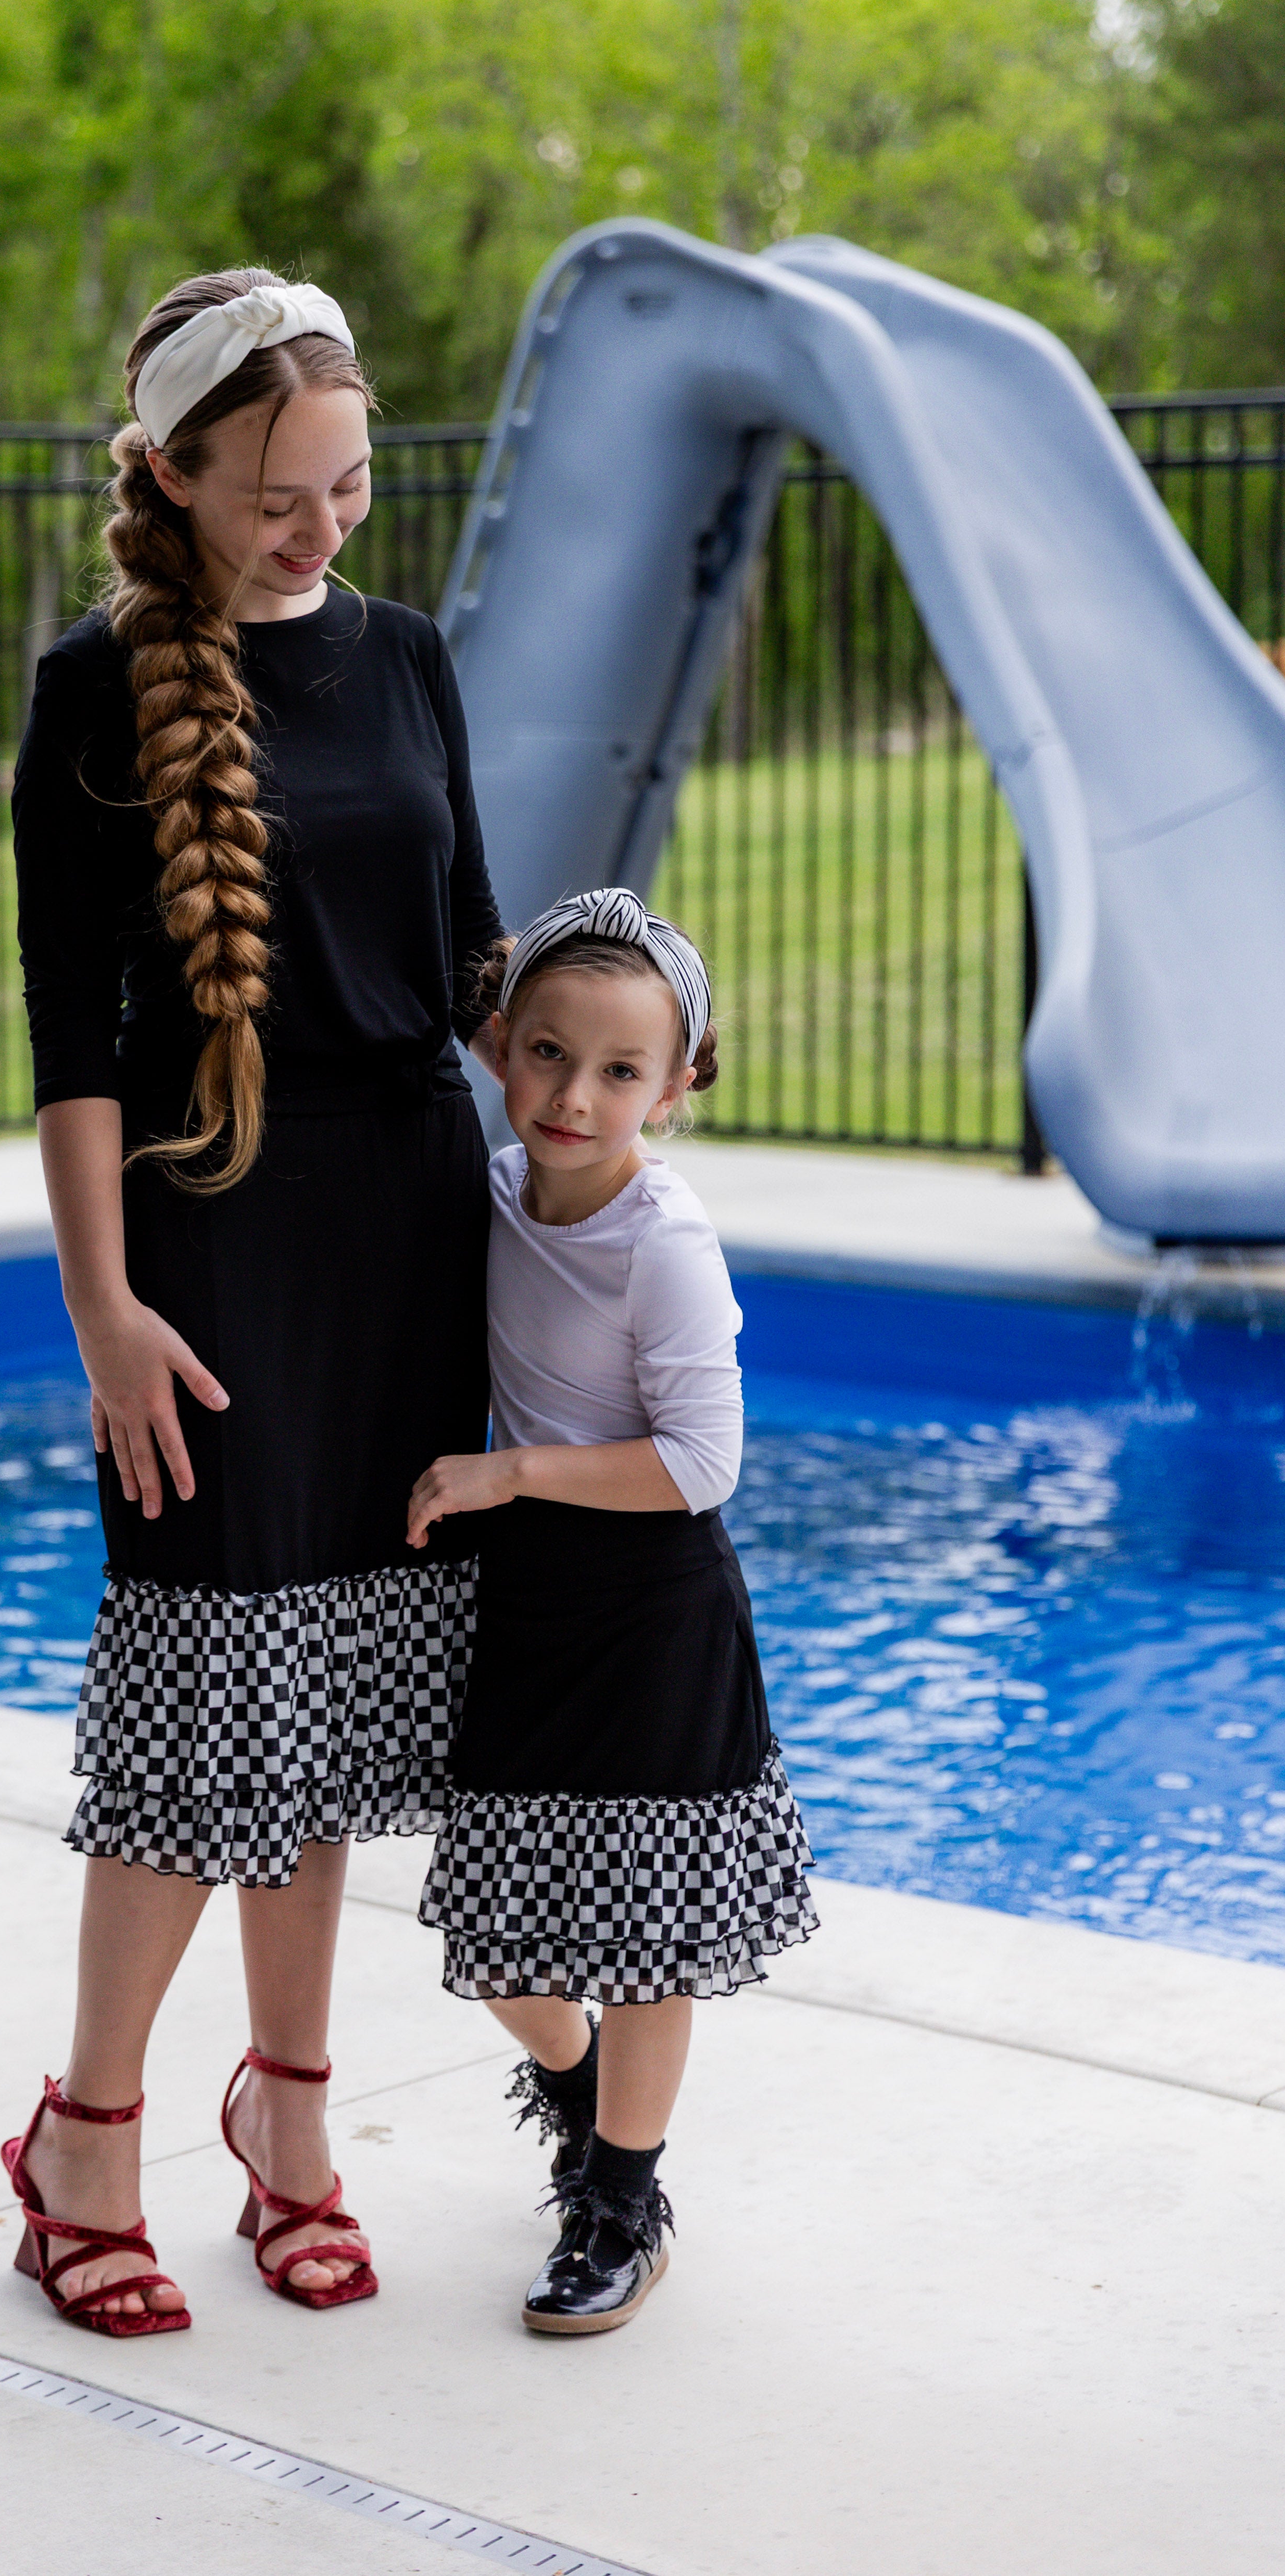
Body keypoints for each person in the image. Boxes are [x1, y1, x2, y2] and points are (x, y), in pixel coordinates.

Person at [4, 268, 503, 2336]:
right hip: (207, 1247)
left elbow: (465, 949)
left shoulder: (405, 658)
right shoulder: (87, 692)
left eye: (352, 484)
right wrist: (105, 1310)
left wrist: (618, 1046)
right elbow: (69, 1045)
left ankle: (291, 2122)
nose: (324, 529)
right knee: (203, 1727)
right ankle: (86, 2140)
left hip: (407, 1231)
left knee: (333, 1708)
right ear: (177, 474)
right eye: (283, 495)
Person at [408, 886, 817, 2336]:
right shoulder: (499, 1187)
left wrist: (511, 1467)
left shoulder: (663, 1242)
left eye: (620, 1071)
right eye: (545, 1055)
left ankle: (619, 2200)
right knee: (509, 1945)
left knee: (643, 1940)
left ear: (681, 1080)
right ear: (499, 1046)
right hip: (526, 1603)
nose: (574, 1097)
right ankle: (580, 2099)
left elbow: (706, 1464)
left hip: (650, 1609)